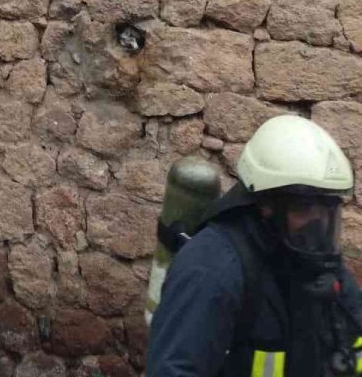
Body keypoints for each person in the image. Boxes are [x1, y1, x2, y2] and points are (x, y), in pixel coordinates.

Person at [147, 114, 362, 376]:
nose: (317, 224)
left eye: (327, 211)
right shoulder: (212, 268)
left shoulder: (319, 264)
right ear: (267, 205)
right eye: (305, 208)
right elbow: (176, 368)